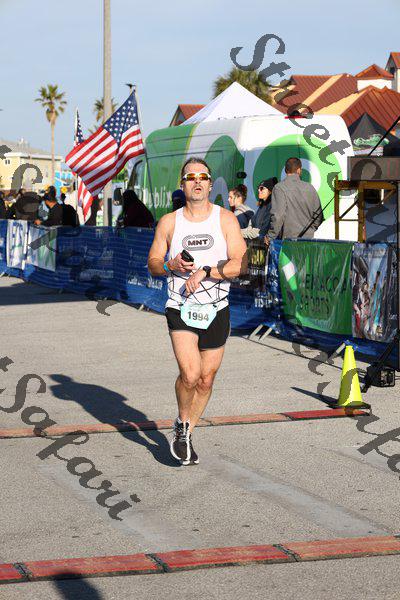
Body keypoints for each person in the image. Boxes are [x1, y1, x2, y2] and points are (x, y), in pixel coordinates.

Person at [148, 157, 247, 465]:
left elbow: (240, 264)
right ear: (183, 184)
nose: (197, 181)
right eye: (191, 177)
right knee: (190, 374)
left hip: (216, 306)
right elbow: (153, 263)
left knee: (206, 379)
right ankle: (181, 424)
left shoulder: (225, 219)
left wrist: (206, 270)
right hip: (180, 305)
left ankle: (187, 431)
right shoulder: (169, 222)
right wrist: (170, 265)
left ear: (210, 183)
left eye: (202, 177)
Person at [264, 157, 323, 247]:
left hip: (287, 243)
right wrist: (310, 230)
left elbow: (278, 216)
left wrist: (270, 236)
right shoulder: (310, 188)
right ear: (299, 170)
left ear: (285, 170)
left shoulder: (279, 188)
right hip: (307, 242)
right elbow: (318, 215)